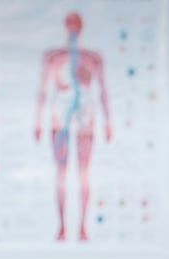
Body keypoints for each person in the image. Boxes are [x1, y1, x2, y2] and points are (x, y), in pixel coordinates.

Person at [33, 11, 112, 242]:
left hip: (85, 121)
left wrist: (108, 122)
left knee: (83, 174)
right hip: (61, 121)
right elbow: (42, 91)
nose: (73, 27)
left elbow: (103, 91)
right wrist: (38, 121)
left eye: (76, 23)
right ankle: (62, 227)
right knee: (61, 174)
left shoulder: (93, 58)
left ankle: (82, 227)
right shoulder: (53, 57)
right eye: (70, 23)